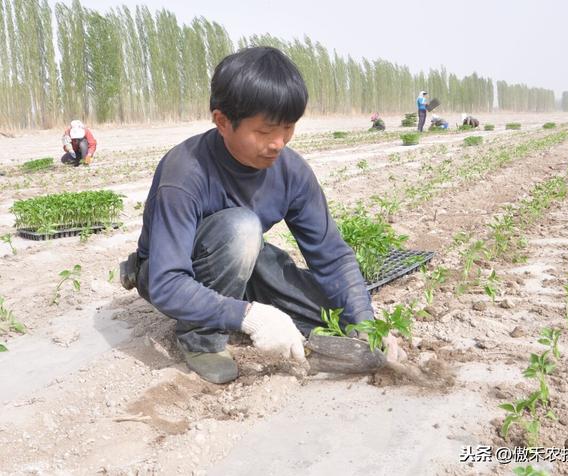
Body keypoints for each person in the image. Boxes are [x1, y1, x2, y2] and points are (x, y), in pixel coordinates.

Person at [120, 47, 401, 384]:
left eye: (288, 128)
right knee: (242, 228)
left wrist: (365, 321)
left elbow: (333, 257)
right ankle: (201, 338)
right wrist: (250, 317)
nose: (278, 143)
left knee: (332, 315)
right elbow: (167, 282)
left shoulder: (292, 171)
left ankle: (245, 308)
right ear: (222, 122)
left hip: (243, 261)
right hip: (169, 272)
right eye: (265, 132)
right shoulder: (186, 172)